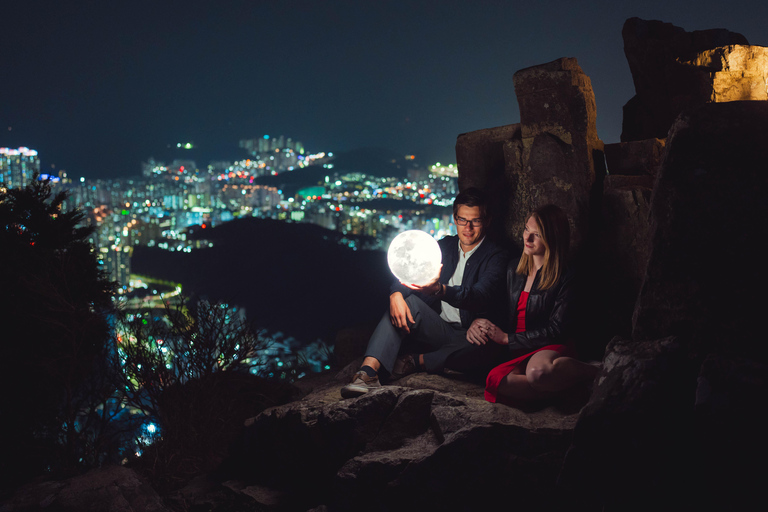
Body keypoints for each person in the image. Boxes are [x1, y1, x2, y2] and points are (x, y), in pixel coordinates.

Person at [341, 187, 508, 398]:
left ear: (487, 221)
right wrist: (395, 294)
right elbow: (410, 271)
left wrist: (441, 290)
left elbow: (480, 295)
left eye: (475, 220)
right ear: (454, 219)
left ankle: (417, 361)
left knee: (490, 347)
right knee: (405, 303)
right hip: (438, 328)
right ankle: (367, 373)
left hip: (469, 336)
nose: (468, 227)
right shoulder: (443, 247)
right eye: (462, 220)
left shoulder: (496, 256)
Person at [469, 204, 598, 405]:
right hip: (519, 346)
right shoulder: (513, 268)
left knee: (537, 373)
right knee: (497, 381)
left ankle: (595, 370)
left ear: (552, 238)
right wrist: (479, 321)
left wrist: (507, 338)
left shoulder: (567, 276)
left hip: (548, 346)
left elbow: (557, 330)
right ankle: (565, 389)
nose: (527, 239)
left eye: (536, 235)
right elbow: (498, 309)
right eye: (526, 230)